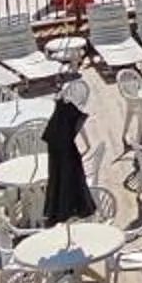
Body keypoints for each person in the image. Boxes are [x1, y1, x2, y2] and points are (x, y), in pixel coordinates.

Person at [40, 91, 96, 226]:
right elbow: (88, 145)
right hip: (63, 163)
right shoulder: (67, 130)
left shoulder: (54, 127)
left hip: (53, 163)